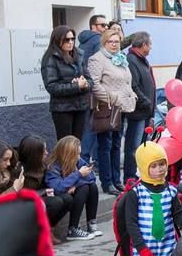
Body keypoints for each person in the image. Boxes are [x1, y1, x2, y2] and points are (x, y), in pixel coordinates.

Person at [87, 28, 137, 195]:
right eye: (111, 42)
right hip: (106, 109)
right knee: (105, 145)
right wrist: (112, 98)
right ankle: (107, 182)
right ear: (104, 42)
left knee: (116, 145)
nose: (115, 44)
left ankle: (117, 180)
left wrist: (131, 93)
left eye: (117, 41)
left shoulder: (120, 58)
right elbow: (94, 85)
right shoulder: (97, 59)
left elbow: (125, 81)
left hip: (121, 108)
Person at [41, 26, 92, 141]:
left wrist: (84, 84)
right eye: (66, 40)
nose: (70, 42)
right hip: (62, 108)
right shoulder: (51, 58)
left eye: (72, 39)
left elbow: (90, 80)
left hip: (80, 106)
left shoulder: (79, 55)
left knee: (77, 144)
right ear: (57, 40)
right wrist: (76, 86)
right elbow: (52, 87)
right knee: (66, 145)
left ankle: (76, 160)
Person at [17, 135, 71, 241]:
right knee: (56, 202)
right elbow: (20, 195)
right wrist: (44, 191)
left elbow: (51, 182)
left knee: (67, 198)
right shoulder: (19, 169)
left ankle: (48, 229)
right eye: (43, 150)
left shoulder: (43, 165)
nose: (46, 153)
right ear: (35, 154)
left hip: (41, 197)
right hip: (25, 204)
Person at [45, 136, 99, 241]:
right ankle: (73, 229)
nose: (79, 157)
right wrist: (78, 174)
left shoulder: (77, 161)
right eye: (77, 154)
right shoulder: (53, 166)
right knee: (84, 187)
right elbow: (58, 188)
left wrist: (75, 184)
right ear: (68, 154)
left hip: (71, 190)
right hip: (59, 195)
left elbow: (91, 177)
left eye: (79, 153)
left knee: (92, 186)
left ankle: (91, 223)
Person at [125, 31, 156, 183]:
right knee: (133, 148)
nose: (150, 48)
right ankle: (130, 178)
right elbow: (133, 86)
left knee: (142, 147)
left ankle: (138, 175)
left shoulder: (142, 60)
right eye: (150, 44)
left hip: (145, 112)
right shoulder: (131, 60)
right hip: (137, 113)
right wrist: (146, 102)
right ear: (143, 45)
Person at [78, 14, 108, 162]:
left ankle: (83, 159)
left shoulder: (82, 42)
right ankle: (87, 161)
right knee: (93, 129)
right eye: (102, 25)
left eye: (106, 25)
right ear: (93, 27)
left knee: (88, 128)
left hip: (84, 91)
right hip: (95, 91)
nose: (105, 28)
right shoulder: (98, 41)